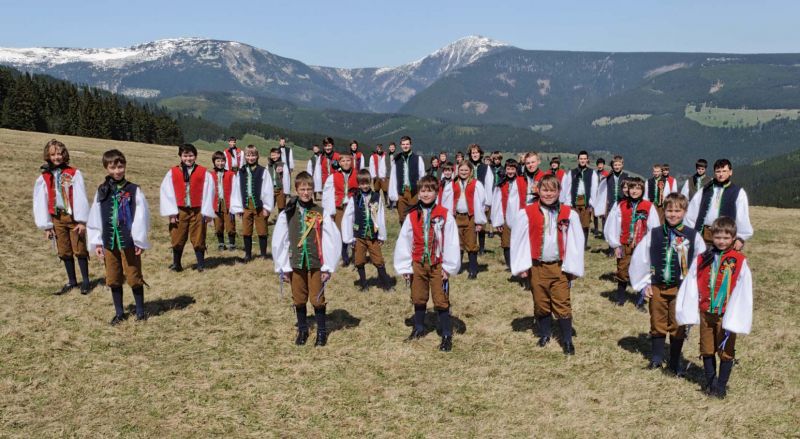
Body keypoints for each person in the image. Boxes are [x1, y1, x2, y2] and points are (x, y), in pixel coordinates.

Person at [676, 216, 753, 399]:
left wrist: (737, 315)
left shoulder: (739, 261)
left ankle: (721, 386)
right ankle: (710, 383)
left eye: (726, 238)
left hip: (726, 314)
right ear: (712, 236)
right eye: (718, 237)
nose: (721, 241)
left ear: (733, 238)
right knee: (706, 348)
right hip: (706, 312)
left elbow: (743, 289)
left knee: (726, 350)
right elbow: (692, 281)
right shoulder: (703, 258)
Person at [629, 193, 706, 373]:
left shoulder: (693, 236)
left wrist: (694, 289)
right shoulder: (654, 234)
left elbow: (699, 264)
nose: (673, 214)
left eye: (677, 211)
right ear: (664, 211)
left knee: (677, 325)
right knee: (657, 322)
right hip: (657, 286)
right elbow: (641, 259)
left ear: (684, 212)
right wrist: (643, 284)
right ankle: (656, 359)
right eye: (669, 210)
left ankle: (674, 360)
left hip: (680, 289)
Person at [510, 174, 584, 355]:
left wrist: (573, 267)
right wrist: (522, 266)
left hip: (560, 267)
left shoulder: (569, 213)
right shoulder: (526, 213)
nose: (548, 194)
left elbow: (576, 242)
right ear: (538, 191)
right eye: (545, 190)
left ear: (559, 191)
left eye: (552, 190)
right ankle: (545, 334)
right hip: (537, 266)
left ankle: (567, 340)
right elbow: (519, 240)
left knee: (562, 302)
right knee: (540, 301)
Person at [273, 172, 342, 347]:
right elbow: (280, 240)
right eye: (302, 189)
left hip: (316, 262)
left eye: (309, 189)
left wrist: (327, 267)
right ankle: (303, 330)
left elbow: (330, 239)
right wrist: (283, 266)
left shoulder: (320, 212)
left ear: (313, 190)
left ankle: (321, 332)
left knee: (317, 298)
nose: (305, 192)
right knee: (298, 298)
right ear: (296, 190)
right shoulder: (288, 213)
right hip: (295, 262)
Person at [393, 175, 461, 352]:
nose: (425, 194)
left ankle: (446, 333)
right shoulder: (412, 215)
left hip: (438, 264)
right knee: (418, 296)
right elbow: (405, 240)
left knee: (440, 299)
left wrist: (448, 266)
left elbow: (452, 242)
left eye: (429, 191)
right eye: (422, 191)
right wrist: (405, 266)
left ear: (436, 192)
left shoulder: (445, 215)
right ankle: (419, 328)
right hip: (418, 263)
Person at [87, 149, 151, 325]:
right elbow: (95, 216)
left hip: (129, 241)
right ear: (106, 168)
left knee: (133, 275)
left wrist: (139, 240)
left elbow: (142, 216)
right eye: (113, 167)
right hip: (109, 241)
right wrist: (97, 241)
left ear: (125, 166)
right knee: (113, 278)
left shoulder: (134, 190)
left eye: (120, 167)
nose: (117, 171)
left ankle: (139, 311)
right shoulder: (102, 191)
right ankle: (119, 312)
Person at [33, 139, 92, 295]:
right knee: (64, 250)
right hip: (57, 218)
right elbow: (41, 201)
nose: (56, 157)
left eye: (59, 153)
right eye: (53, 154)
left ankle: (86, 280)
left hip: (73, 218)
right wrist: (46, 225)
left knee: (79, 249)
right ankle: (72, 281)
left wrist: (82, 220)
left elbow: (80, 196)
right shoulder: (45, 176)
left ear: (64, 154)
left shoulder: (74, 173)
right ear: (48, 155)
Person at [604, 177, 661, 308]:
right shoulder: (621, 205)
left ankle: (640, 300)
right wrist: (615, 244)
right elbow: (613, 225)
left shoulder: (648, 206)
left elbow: (654, 227)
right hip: (625, 243)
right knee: (622, 270)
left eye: (638, 188)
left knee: (642, 271)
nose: (634, 191)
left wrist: (652, 245)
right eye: (632, 188)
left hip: (642, 246)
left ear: (642, 190)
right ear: (627, 190)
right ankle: (621, 298)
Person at [159, 143, 216, 272]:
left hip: (198, 210)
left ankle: (201, 265)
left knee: (199, 236)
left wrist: (207, 212)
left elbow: (209, 193)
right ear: (180, 156)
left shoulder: (203, 172)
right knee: (177, 236)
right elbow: (167, 192)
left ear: (195, 156)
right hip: (180, 210)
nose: (188, 159)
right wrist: (171, 212)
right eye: (185, 156)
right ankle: (177, 264)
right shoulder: (173, 172)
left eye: (191, 155)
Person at [341, 169, 392, 291]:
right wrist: (350, 238)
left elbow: (380, 216)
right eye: (361, 184)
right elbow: (348, 217)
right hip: (359, 236)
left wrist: (381, 235)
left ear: (370, 182)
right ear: (358, 184)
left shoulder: (376, 197)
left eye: (366, 183)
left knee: (378, 260)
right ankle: (364, 285)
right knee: (359, 260)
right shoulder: (354, 198)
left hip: (373, 236)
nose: (364, 186)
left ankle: (386, 285)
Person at [685, 159, 753, 248]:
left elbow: (742, 217)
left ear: (730, 172)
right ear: (714, 173)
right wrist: (690, 233)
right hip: (704, 236)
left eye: (724, 171)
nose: (721, 174)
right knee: (701, 261)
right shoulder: (705, 190)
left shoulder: (738, 193)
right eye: (718, 171)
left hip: (725, 238)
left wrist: (740, 238)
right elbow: (692, 212)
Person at [441, 161, 487, 279]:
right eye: (461, 170)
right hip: (456, 217)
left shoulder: (476, 184)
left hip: (470, 217)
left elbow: (480, 204)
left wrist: (479, 222)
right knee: (458, 244)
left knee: (471, 244)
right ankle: (457, 267)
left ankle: (473, 270)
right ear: (457, 171)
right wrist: (447, 218)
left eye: (466, 170)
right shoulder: (452, 185)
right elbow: (446, 202)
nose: (464, 172)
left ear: (470, 171)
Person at [229, 145, 275, 261]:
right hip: (246, 206)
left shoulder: (263, 171)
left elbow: (268, 190)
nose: (251, 158)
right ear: (245, 156)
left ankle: (263, 254)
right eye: (248, 155)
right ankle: (248, 254)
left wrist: (267, 207)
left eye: (253, 155)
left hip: (259, 206)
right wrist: (238, 208)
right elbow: (237, 189)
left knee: (262, 230)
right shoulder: (241, 172)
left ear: (257, 156)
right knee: (246, 230)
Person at [322, 152, 358, 266]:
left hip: (354, 207)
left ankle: (356, 255)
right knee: (340, 231)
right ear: (339, 163)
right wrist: (330, 211)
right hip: (340, 208)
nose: (346, 163)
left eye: (348, 160)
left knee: (354, 230)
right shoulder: (333, 177)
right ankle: (344, 255)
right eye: (343, 161)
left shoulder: (357, 174)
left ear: (351, 161)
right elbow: (328, 194)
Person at [491, 159, 527, 271]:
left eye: (512, 169)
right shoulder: (502, 184)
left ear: (516, 170)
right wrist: (498, 221)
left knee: (520, 243)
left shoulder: (522, 181)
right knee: (506, 243)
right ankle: (510, 265)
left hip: (520, 217)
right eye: (508, 169)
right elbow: (496, 202)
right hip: (507, 217)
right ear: (505, 170)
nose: (510, 171)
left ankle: (520, 264)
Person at [562, 151, 599, 248]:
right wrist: (568, 202)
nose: (582, 160)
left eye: (584, 159)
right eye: (581, 159)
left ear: (587, 160)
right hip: (575, 201)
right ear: (578, 160)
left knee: (585, 225)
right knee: (573, 223)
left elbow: (594, 189)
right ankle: (574, 243)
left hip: (585, 202)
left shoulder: (592, 173)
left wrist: (592, 203)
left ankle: (584, 244)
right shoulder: (572, 172)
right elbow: (568, 188)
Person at [388, 136, 426, 224]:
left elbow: (422, 177)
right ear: (400, 145)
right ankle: (404, 236)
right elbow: (393, 177)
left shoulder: (418, 159)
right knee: (402, 218)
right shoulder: (396, 159)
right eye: (403, 144)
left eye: (407, 144)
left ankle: (414, 237)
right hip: (401, 192)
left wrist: (422, 192)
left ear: (411, 145)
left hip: (414, 192)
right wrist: (393, 194)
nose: (405, 146)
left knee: (414, 217)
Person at [467, 144, 495, 255]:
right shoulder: (467, 165)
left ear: (480, 154)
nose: (474, 154)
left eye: (476, 152)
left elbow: (489, 184)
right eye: (473, 153)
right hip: (468, 198)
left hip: (481, 199)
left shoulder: (485, 167)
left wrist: (488, 202)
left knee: (481, 224)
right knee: (470, 224)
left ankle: (482, 248)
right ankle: (471, 245)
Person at [210, 151, 237, 251]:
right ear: (214, 162)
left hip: (228, 204)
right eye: (218, 161)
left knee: (230, 224)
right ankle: (221, 243)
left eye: (222, 161)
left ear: (225, 162)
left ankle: (232, 244)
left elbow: (235, 189)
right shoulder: (210, 175)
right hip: (216, 204)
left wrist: (234, 204)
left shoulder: (230, 174)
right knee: (218, 225)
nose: (220, 163)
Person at [268, 148, 291, 214]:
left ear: (279, 155)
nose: (274, 157)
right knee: (269, 206)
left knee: (281, 207)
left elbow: (286, 178)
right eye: (272, 155)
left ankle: (281, 221)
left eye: (276, 155)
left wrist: (286, 191)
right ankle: (264, 221)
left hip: (280, 189)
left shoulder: (283, 165)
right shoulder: (269, 165)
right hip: (271, 190)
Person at [593, 158, 610, 237]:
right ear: (597, 165)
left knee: (603, 214)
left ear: (603, 165)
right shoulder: (595, 174)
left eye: (601, 164)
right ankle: (596, 230)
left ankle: (603, 231)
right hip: (596, 195)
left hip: (603, 196)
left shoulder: (606, 174)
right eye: (598, 164)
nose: (600, 166)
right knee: (595, 213)